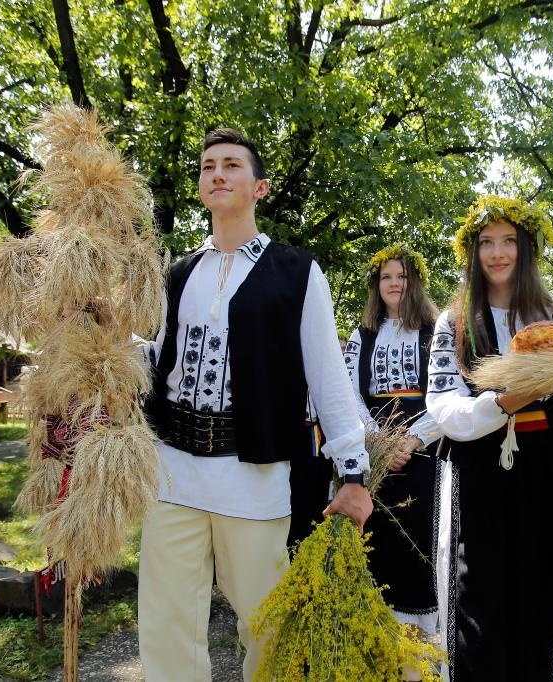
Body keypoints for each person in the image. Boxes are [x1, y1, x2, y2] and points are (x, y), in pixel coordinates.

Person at [137, 128, 373, 682]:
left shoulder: (296, 271)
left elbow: (327, 373)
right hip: (171, 472)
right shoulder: (177, 272)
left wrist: (353, 472)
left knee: (266, 624)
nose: (217, 173)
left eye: (231, 165)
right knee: (167, 623)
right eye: (208, 166)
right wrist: (94, 341)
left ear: (259, 187)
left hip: (253, 474)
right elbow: (158, 358)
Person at [427, 195, 553, 682]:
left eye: (508, 241)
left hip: (550, 482)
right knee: (479, 612)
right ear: (472, 252)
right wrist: (508, 401)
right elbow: (445, 409)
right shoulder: (455, 323)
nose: (497, 253)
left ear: (527, 249)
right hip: (481, 481)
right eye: (486, 242)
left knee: (541, 609)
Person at [342, 243, 442, 645]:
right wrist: (377, 438)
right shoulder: (362, 335)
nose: (395, 283)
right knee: (378, 542)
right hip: (375, 452)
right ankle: (377, 641)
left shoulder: (436, 332)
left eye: (402, 276)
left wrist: (412, 439)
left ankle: (417, 646)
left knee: (418, 544)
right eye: (387, 277)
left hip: (424, 452)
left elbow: (445, 393)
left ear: (415, 282)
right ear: (377, 285)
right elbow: (349, 394)